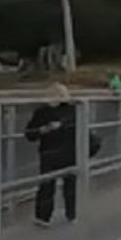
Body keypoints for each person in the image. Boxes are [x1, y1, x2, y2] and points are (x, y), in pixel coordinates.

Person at [24, 84, 91, 227]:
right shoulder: (73, 110)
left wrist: (42, 130)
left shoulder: (42, 112)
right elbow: (80, 127)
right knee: (69, 183)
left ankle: (44, 217)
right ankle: (71, 214)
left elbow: (29, 134)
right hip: (69, 151)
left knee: (47, 184)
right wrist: (57, 126)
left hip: (49, 151)